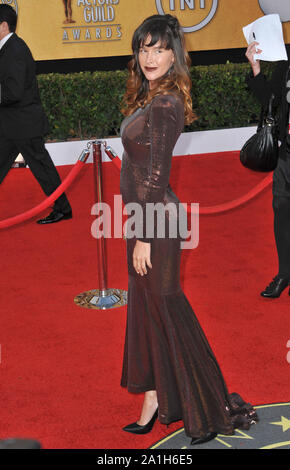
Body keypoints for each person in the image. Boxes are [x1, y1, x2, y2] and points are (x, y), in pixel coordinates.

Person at [119, 14, 258, 444]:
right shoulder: (149, 96)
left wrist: (143, 234)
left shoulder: (164, 104)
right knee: (148, 309)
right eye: (143, 48)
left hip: (156, 221)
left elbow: (158, 175)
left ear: (174, 54)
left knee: (167, 307)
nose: (149, 57)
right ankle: (154, 398)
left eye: (159, 48)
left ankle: (207, 403)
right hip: (142, 216)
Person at [0, 4, 72, 224]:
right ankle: (62, 208)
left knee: (43, 168)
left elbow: (13, 91)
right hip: (11, 124)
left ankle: (63, 209)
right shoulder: (7, 48)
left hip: (23, 124)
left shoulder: (15, 49)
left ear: (3, 25)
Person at [246, 41, 290, 297]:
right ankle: (285, 273)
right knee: (282, 213)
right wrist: (256, 68)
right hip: (285, 154)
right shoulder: (285, 64)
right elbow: (270, 101)